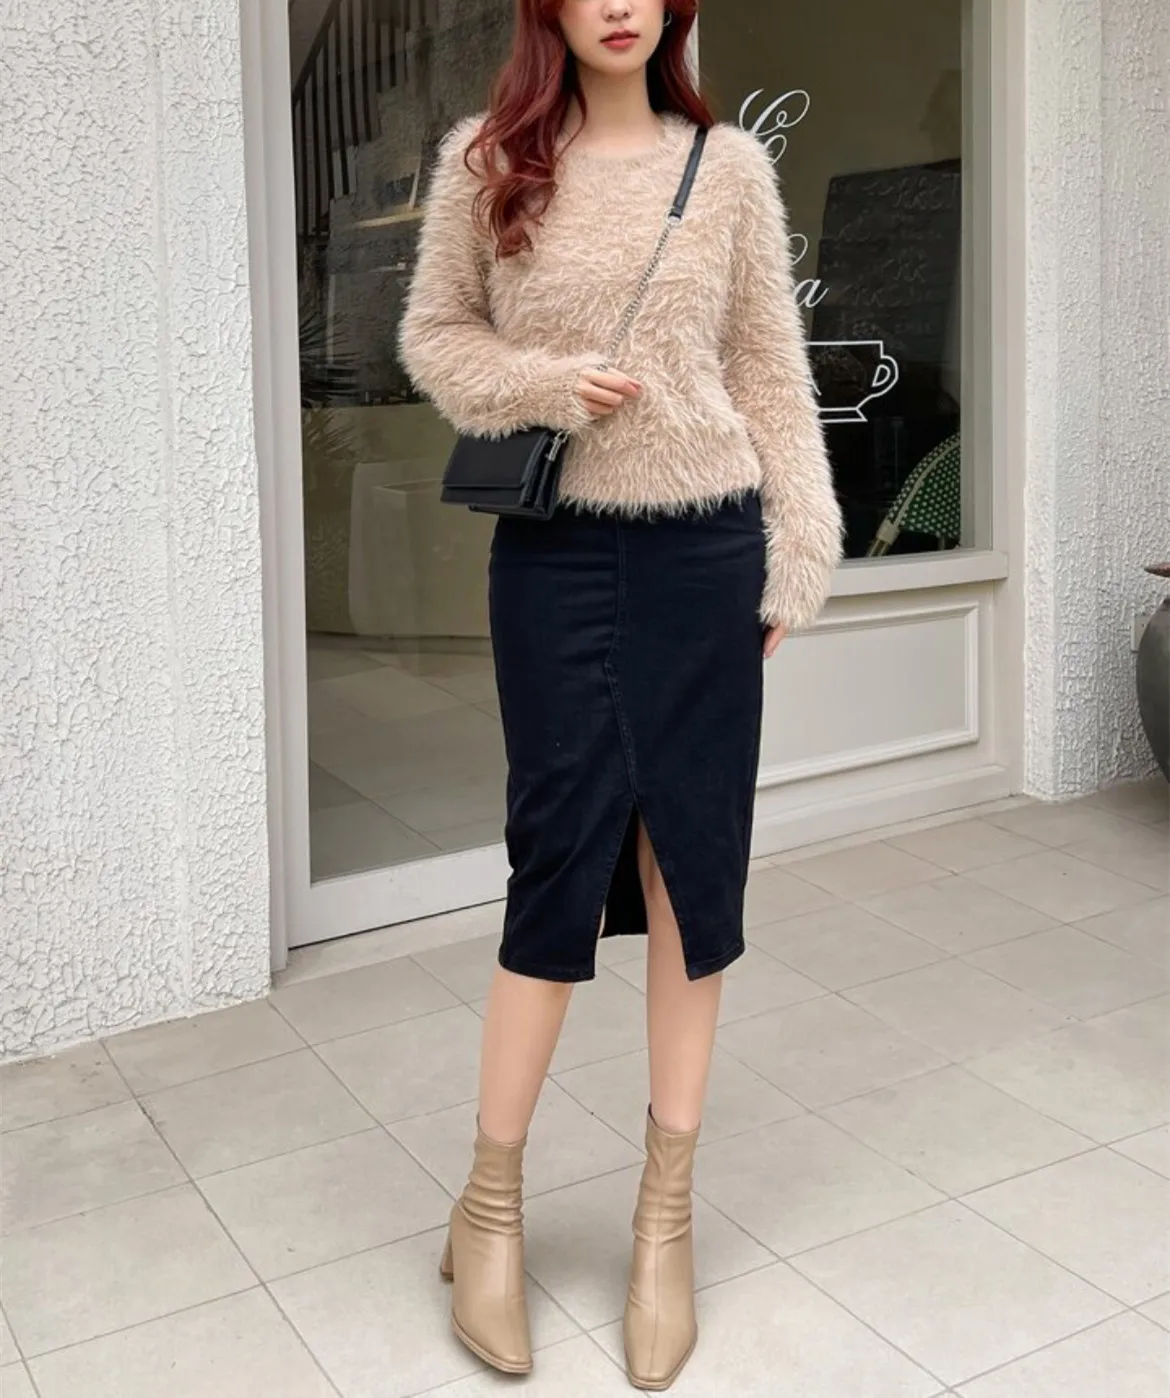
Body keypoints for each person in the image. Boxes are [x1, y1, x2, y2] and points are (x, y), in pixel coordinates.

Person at [400, 0, 841, 1388]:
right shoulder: (489, 158)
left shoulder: (729, 170)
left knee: (689, 876)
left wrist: (797, 550)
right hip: (553, 556)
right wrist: (544, 384)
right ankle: (487, 1207)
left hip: (704, 549)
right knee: (554, 860)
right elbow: (437, 338)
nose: (617, 3)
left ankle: (664, 1224)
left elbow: (768, 368)